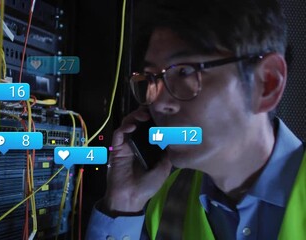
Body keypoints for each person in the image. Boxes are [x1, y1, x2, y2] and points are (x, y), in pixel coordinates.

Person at [86, 0, 306, 239]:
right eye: (151, 78)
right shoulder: (165, 200)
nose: (158, 103)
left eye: (185, 72)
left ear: (267, 83)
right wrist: (124, 202)